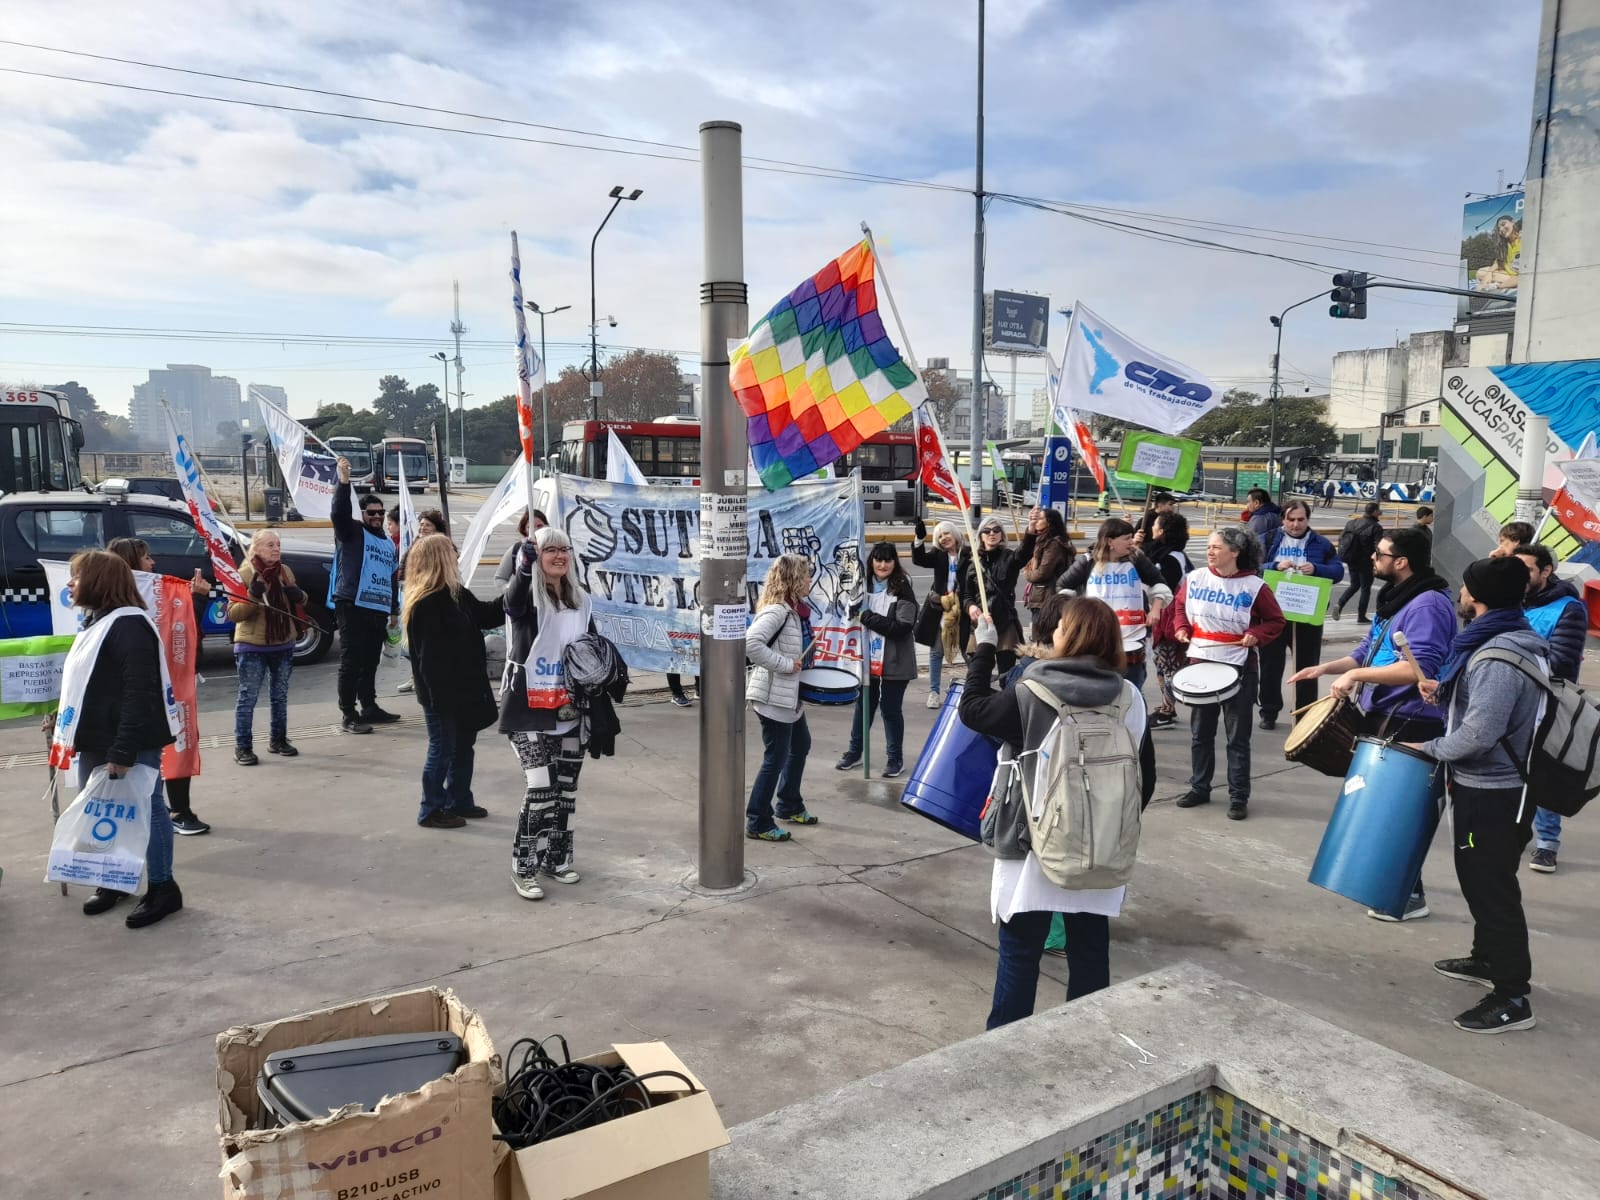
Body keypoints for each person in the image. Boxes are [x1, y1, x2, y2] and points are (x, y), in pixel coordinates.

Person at [959, 593, 1156, 1026]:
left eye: (1062, 628)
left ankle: (1007, 1045)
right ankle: (1087, 1040)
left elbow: (972, 710)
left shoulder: (1032, 692)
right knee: (1090, 952)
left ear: (1072, 637)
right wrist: (1101, 824)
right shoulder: (1130, 698)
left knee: (1020, 953)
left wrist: (985, 648)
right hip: (1103, 848)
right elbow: (1146, 780)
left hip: (1032, 848)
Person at [1290, 526, 1455, 921]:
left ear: (1402, 562)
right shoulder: (1399, 596)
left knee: (1397, 810)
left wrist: (1356, 677)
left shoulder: (1428, 604)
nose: (1372, 558)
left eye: (1380, 554)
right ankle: (1392, 887)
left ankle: (1408, 895)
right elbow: (1368, 650)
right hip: (1386, 712)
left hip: (1413, 718)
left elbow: (1419, 669)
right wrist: (1327, 668)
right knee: (1380, 806)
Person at [1409, 556, 1544, 1034]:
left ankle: (1512, 997)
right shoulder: (1508, 639)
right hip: (1494, 784)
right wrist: (1447, 695)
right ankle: (1487, 958)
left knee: (1491, 887)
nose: (1460, 595)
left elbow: (1480, 735)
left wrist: (1427, 748)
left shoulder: (1496, 656)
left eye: (1465, 588)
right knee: (1482, 878)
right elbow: (1489, 712)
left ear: (1479, 596)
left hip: (1495, 790)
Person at [51, 550, 184, 927]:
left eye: (77, 576)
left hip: (128, 741)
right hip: (97, 739)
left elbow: (139, 691)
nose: (70, 583)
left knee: (147, 809)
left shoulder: (129, 625)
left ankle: (163, 887)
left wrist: (124, 750)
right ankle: (114, 879)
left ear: (98, 581)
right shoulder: (99, 621)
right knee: (103, 811)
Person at [500, 527, 594, 898]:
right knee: (541, 788)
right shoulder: (527, 596)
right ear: (535, 556)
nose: (558, 555)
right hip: (527, 708)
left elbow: (590, 646)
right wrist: (523, 569)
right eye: (548, 549)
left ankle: (556, 859)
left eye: (563, 548)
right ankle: (524, 867)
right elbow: (511, 604)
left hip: (570, 708)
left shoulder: (582, 599)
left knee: (566, 790)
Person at [1171, 526, 1286, 820]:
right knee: (1200, 733)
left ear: (1235, 552)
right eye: (1208, 546)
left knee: (1237, 738)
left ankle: (1238, 796)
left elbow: (1276, 621)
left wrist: (1256, 634)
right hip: (1201, 663)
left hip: (1239, 668)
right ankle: (1199, 787)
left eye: (1216, 547)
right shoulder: (1195, 578)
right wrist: (1181, 627)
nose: (1209, 552)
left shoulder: (1255, 586)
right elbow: (1180, 607)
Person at [103, 538, 214, 835]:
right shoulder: (135, 603)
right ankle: (175, 812)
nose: (153, 563)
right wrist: (197, 601)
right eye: (147, 558)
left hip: (152, 688)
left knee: (164, 749)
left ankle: (168, 810)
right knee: (168, 746)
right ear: (131, 564)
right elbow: (182, 631)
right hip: (157, 689)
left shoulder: (120, 598)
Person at [403, 533, 506, 830]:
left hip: (463, 690)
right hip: (443, 695)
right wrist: (441, 700)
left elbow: (488, 615)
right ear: (438, 559)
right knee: (443, 749)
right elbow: (429, 662)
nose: (457, 555)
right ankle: (431, 809)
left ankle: (459, 799)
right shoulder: (426, 603)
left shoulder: (455, 593)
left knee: (462, 747)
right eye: (451, 551)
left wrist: (522, 580)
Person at [1514, 542, 1587, 874]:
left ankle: (1547, 844)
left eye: (1526, 569)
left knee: (1542, 772)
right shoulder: (1510, 599)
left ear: (1546, 571)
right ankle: (1513, 832)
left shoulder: (1569, 608)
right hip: (1509, 700)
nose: (1519, 576)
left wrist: (1512, 652)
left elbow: (1562, 663)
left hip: (1548, 704)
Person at [745, 553, 818, 841]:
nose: (810, 579)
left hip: (787, 696)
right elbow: (751, 643)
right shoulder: (778, 611)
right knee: (775, 758)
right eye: (806, 575)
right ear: (794, 579)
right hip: (772, 698)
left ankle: (789, 804)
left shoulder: (794, 610)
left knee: (800, 745)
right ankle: (758, 821)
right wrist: (786, 664)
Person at [1256, 500, 1345, 730]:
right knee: (1270, 666)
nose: (1296, 524)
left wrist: (1316, 569)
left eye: (1301, 519)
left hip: (1307, 614)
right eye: (1291, 519)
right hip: (1273, 614)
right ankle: (1269, 711)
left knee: (1307, 666)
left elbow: (1337, 571)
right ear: (1283, 519)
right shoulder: (1266, 539)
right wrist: (1274, 566)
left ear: (1308, 519)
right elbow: (1251, 568)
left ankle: (1304, 713)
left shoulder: (1321, 543)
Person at [1056, 518, 1171, 690]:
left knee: (1132, 689)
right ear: (1110, 541)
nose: (1131, 542)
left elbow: (1159, 583)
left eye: (1131, 537)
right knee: (1099, 688)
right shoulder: (1088, 561)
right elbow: (1063, 586)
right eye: (1126, 538)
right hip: (1097, 636)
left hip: (1132, 636)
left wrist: (1155, 609)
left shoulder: (1136, 559)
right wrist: (1075, 614)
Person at [835, 542, 918, 777]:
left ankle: (895, 759)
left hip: (895, 659)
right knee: (864, 706)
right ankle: (854, 752)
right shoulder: (862, 584)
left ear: (895, 562)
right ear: (871, 561)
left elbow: (902, 626)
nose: (882, 565)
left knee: (890, 709)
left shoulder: (903, 587)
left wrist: (867, 617)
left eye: (888, 560)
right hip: (865, 657)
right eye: (878, 559)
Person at [332, 457, 401, 734]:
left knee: (371, 661)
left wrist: (394, 609)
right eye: (371, 512)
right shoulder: (352, 532)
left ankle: (369, 706)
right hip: (352, 603)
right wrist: (343, 482)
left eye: (381, 513)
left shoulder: (387, 543)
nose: (377, 516)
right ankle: (349, 714)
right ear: (362, 514)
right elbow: (339, 513)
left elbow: (392, 577)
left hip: (378, 608)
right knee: (352, 661)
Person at [228, 530, 304, 766]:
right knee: (248, 697)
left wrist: (299, 595)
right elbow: (234, 614)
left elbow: (301, 601)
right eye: (270, 545)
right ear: (256, 548)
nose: (276, 548)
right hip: (253, 646)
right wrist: (253, 595)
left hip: (283, 642)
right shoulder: (244, 573)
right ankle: (243, 747)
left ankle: (278, 740)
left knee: (279, 696)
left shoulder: (284, 571)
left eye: (278, 544)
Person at [911, 518, 969, 709]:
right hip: (941, 607)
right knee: (937, 651)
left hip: (964, 608)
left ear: (955, 534)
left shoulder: (969, 554)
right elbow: (919, 559)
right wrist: (919, 539)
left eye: (946, 533)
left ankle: (975, 688)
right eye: (940, 536)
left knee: (968, 650)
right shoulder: (938, 555)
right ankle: (934, 692)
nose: (944, 538)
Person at [1145, 513, 1192, 730]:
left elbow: (1167, 590)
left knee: (1168, 665)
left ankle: (1167, 711)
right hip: (1167, 619)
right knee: (1162, 664)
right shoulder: (1170, 554)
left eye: (1155, 525)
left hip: (1169, 620)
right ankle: (1166, 705)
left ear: (1162, 531)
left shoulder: (1170, 559)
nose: (1151, 528)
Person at [961, 516, 1025, 675]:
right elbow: (966, 595)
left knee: (1006, 675)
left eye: (996, 530)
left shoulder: (1010, 558)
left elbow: (1024, 554)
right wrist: (971, 607)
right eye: (987, 531)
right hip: (981, 624)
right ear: (981, 536)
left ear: (1002, 535)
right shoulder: (973, 562)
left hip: (1005, 623)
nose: (992, 533)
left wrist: (1030, 532)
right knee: (979, 674)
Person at [1015, 506, 1074, 632]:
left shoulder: (1053, 544)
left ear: (1049, 523)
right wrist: (1030, 526)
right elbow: (1024, 550)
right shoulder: (1040, 540)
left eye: (1040, 518)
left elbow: (1042, 573)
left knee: (1043, 635)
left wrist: (1027, 573)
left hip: (1046, 598)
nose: (1036, 521)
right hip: (1040, 597)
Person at [1331, 502, 1384, 622]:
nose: (1379, 513)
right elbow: (1378, 546)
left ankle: (1340, 604)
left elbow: (1342, 538)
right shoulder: (1376, 527)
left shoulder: (1352, 522)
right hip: (1365, 561)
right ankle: (1361, 616)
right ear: (1374, 512)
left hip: (1351, 558)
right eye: (1378, 511)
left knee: (1354, 585)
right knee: (1366, 588)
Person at [494, 509, 550, 591]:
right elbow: (500, 578)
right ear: (524, 529)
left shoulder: (557, 547)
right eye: (530, 527)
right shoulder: (516, 549)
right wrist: (513, 592)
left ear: (547, 526)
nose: (536, 530)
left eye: (540, 526)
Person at [1474, 214, 1521, 293]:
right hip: (1506, 275)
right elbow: (1498, 262)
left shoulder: (1523, 239)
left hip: (1520, 277)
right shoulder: (1505, 245)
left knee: (1523, 278)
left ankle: (1500, 284)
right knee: (1480, 272)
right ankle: (1506, 282)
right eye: (1499, 229)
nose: (1501, 229)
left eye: (1503, 224)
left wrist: (1497, 286)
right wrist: (1489, 273)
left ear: (1513, 222)